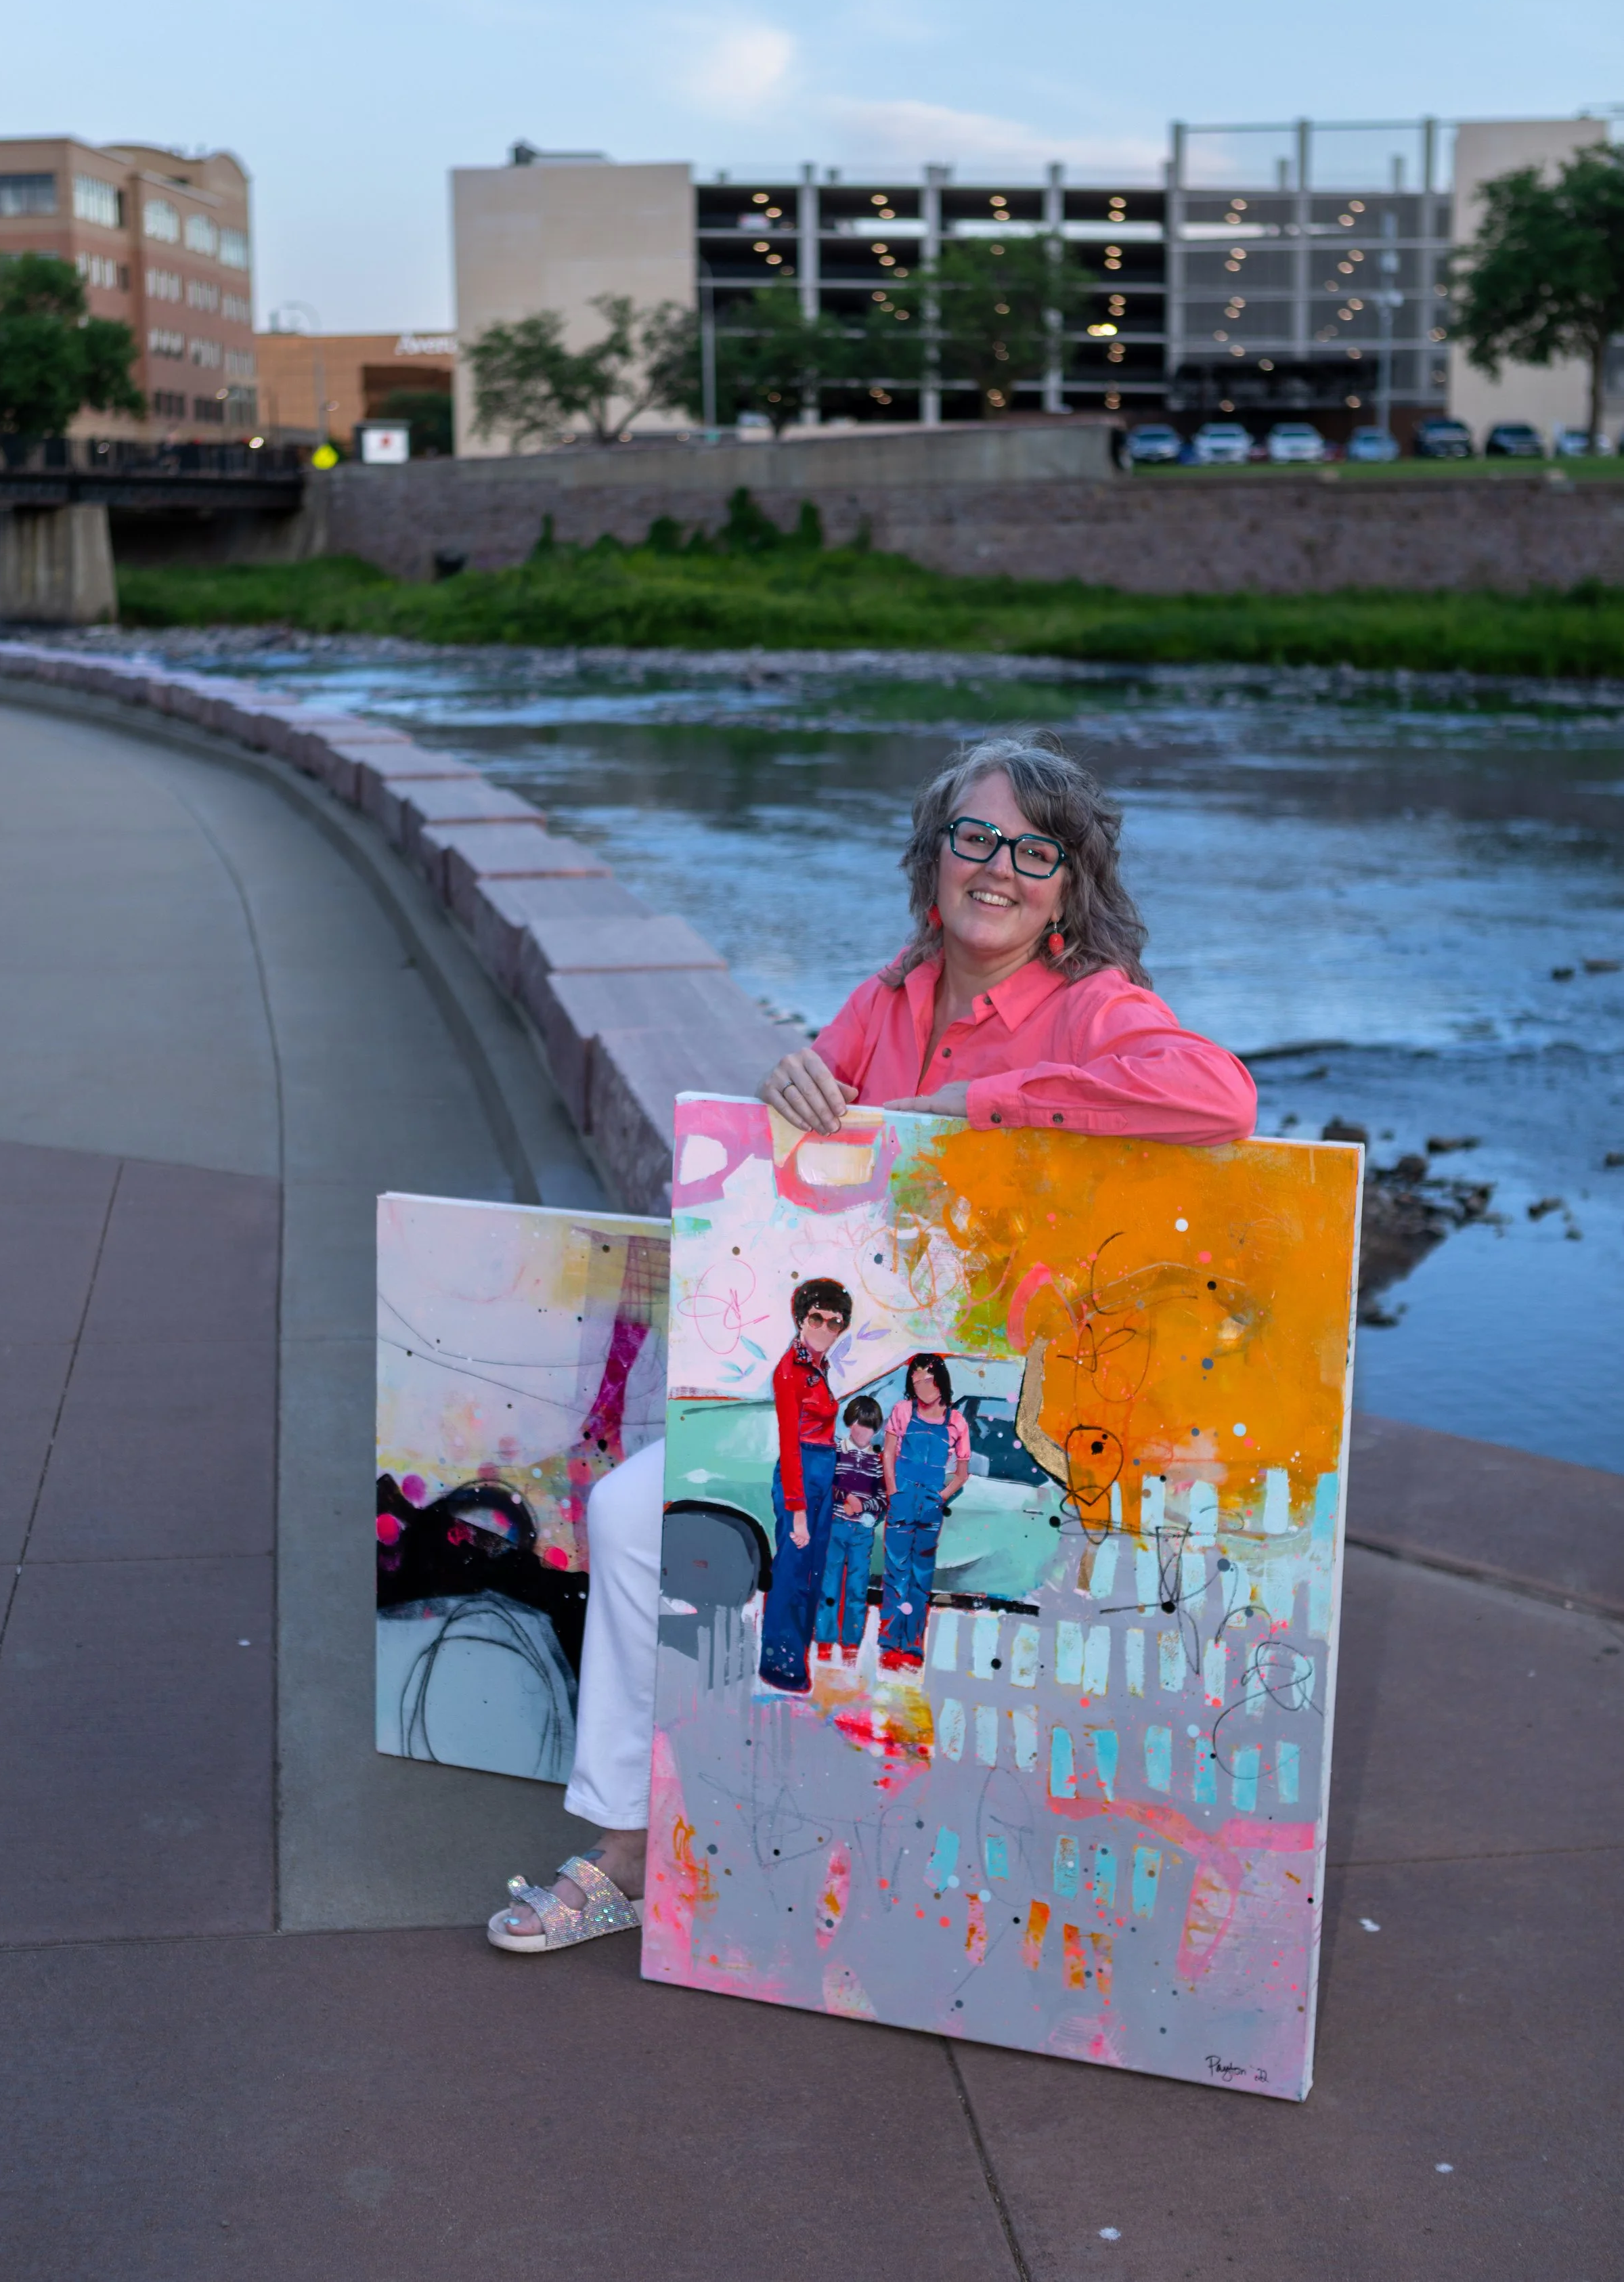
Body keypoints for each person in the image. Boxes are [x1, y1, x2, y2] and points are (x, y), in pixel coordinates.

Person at [489, 728, 1256, 1952]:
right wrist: (792, 1082)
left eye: (1034, 850)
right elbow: (801, 1180)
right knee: (639, 1515)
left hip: (994, 1427)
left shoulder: (1096, 1008)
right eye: (975, 838)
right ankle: (631, 1850)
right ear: (935, 855)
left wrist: (987, 1106)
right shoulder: (886, 999)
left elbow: (1220, 1098)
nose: (997, 867)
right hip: (848, 1391)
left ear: (1072, 886)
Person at [758, 1278, 853, 1691]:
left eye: (835, 1323)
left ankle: (796, 1659)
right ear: (801, 1318)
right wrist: (797, 1511)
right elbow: (790, 1444)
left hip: (821, 1473)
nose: (825, 1329)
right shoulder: (789, 1371)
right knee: (793, 1571)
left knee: (812, 1573)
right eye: (818, 1318)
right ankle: (780, 1664)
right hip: (801, 1475)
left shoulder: (818, 1366)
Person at [877, 1357, 971, 1669]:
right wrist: (893, 1492)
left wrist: (940, 1498)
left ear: (940, 1382)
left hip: (930, 1508)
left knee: (921, 1577)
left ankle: (913, 1646)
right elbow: (888, 1453)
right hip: (902, 1500)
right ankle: (890, 1643)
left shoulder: (957, 1422)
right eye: (916, 1382)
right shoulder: (903, 1412)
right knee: (895, 1574)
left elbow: (962, 1473)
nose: (922, 1387)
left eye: (927, 1380)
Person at [814, 1394, 887, 1663]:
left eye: (869, 1427)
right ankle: (824, 1641)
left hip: (862, 1533)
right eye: (859, 1424)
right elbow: (824, 1487)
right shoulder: (836, 1452)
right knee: (829, 1586)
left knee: (857, 1589)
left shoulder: (877, 1462)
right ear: (849, 1423)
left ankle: (851, 1646)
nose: (863, 1432)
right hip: (835, 1528)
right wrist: (845, 1497)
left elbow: (882, 1500)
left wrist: (864, 1506)